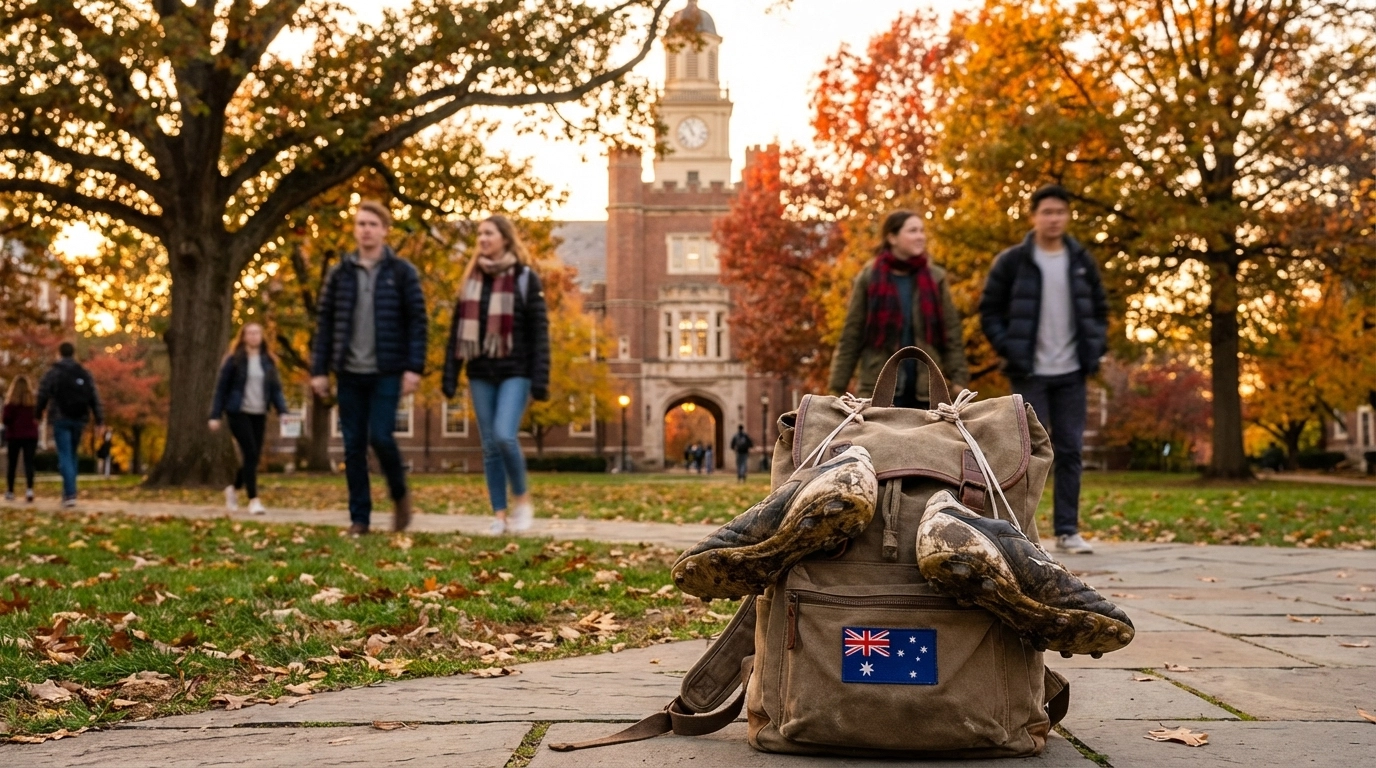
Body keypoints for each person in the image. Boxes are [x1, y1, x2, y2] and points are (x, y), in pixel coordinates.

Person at [978, 184, 1108, 555]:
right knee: (1024, 451)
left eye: (1060, 212)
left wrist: (1094, 349)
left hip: (1071, 372)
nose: (1054, 218)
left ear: (1068, 217)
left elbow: (1099, 311)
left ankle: (1068, 530)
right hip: (1029, 372)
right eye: (1047, 212)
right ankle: (1019, 530)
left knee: (1070, 448)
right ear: (1033, 215)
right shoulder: (1013, 262)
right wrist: (1010, 348)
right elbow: (990, 310)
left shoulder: (1081, 262)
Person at [311, 201, 428, 535]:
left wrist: (413, 368)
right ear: (355, 229)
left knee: (380, 435)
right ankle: (359, 518)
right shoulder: (339, 274)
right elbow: (325, 324)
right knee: (352, 446)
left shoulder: (402, 272)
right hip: (349, 372)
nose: (366, 229)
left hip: (387, 370)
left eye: (373, 224)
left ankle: (400, 495)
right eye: (361, 223)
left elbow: (418, 322)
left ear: (384, 230)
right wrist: (319, 370)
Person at [442, 215, 550, 535]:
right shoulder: (470, 279)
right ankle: (499, 515)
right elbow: (455, 331)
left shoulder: (524, 277)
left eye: (488, 233)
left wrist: (540, 378)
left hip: (516, 370)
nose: (483, 239)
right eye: (479, 234)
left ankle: (522, 500)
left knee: (504, 435)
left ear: (505, 237)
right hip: (480, 371)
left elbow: (538, 332)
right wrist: (450, 374)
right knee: (489, 444)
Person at [828, 210, 970, 408]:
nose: (920, 236)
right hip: (879, 391)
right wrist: (836, 389)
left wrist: (959, 381)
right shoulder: (869, 277)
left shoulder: (936, 278)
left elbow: (951, 333)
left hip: (927, 390)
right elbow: (851, 336)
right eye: (912, 231)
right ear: (892, 237)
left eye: (921, 230)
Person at [210, 323, 290, 515]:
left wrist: (283, 411)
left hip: (259, 413)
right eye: (250, 333)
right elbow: (221, 389)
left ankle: (233, 488)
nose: (254, 336)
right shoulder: (234, 361)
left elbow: (276, 390)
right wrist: (215, 415)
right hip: (238, 412)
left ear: (262, 337)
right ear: (243, 337)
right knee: (251, 452)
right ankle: (254, 500)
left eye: (257, 333)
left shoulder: (268, 362)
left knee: (252, 457)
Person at [36, 342, 103, 508]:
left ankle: (70, 493)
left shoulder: (54, 372)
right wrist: (99, 420)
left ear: (59, 353)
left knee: (65, 455)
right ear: (73, 354)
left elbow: (43, 393)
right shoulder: (84, 373)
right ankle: (69, 491)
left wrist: (38, 414)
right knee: (72, 454)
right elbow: (94, 398)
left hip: (60, 418)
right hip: (79, 418)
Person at [3, 375, 39, 503]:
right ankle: (29, 489)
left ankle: (10, 491)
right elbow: (38, 417)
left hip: (14, 435)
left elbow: (6, 420)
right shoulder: (33, 402)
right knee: (29, 463)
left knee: (12, 464)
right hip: (30, 436)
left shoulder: (10, 404)